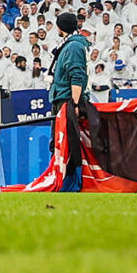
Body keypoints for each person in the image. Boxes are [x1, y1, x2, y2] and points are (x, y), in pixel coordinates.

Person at [49, 10, 91, 193]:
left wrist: (74, 103)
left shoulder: (73, 47)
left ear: (61, 27)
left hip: (66, 100)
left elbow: (76, 75)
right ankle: (61, 179)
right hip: (63, 98)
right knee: (60, 143)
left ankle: (68, 183)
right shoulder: (71, 44)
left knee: (66, 143)